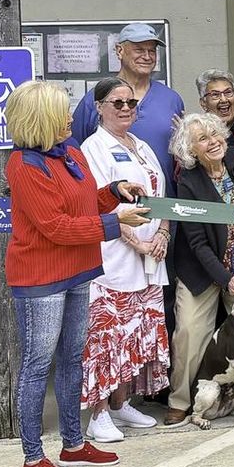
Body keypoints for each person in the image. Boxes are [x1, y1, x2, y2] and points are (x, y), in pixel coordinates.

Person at [5, 80, 149, 467]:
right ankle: (33, 458)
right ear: (42, 118)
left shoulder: (69, 151)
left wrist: (114, 191)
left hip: (78, 270)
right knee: (37, 366)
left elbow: (83, 203)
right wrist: (115, 222)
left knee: (72, 359)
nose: (71, 115)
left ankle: (73, 444)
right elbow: (56, 227)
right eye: (62, 111)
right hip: (41, 279)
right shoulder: (23, 165)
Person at [79, 78, 171, 444]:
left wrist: (163, 233)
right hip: (115, 260)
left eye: (130, 102)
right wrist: (138, 243)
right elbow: (102, 205)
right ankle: (98, 413)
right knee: (107, 338)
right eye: (116, 103)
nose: (125, 108)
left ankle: (121, 403)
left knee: (138, 335)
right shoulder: (93, 148)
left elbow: (161, 196)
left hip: (150, 260)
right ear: (99, 107)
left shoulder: (142, 146)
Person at [164, 112, 234, 427]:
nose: (213, 142)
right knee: (189, 332)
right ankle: (180, 401)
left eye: (215, 134)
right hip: (202, 270)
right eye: (203, 139)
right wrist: (225, 280)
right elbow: (197, 243)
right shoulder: (189, 181)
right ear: (191, 150)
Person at [71, 23, 185, 195]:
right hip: (112, 211)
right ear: (119, 51)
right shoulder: (95, 99)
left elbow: (181, 157)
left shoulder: (171, 99)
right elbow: (74, 155)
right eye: (139, 50)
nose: (147, 56)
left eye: (152, 51)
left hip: (163, 208)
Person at [195, 69, 234, 157]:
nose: (224, 100)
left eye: (228, 92)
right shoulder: (196, 134)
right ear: (203, 103)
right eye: (215, 95)